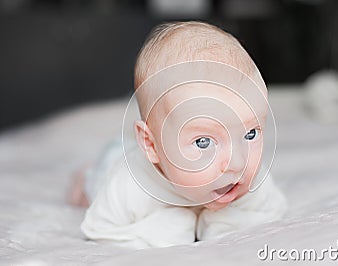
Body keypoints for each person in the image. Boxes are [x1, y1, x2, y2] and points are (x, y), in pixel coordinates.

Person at [68, 21, 287, 249]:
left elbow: (274, 209)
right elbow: (98, 230)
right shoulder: (129, 185)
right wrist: (163, 231)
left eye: (250, 134)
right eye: (203, 142)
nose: (237, 162)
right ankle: (82, 177)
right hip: (113, 159)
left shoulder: (250, 178)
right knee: (86, 192)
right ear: (151, 144)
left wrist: (228, 222)